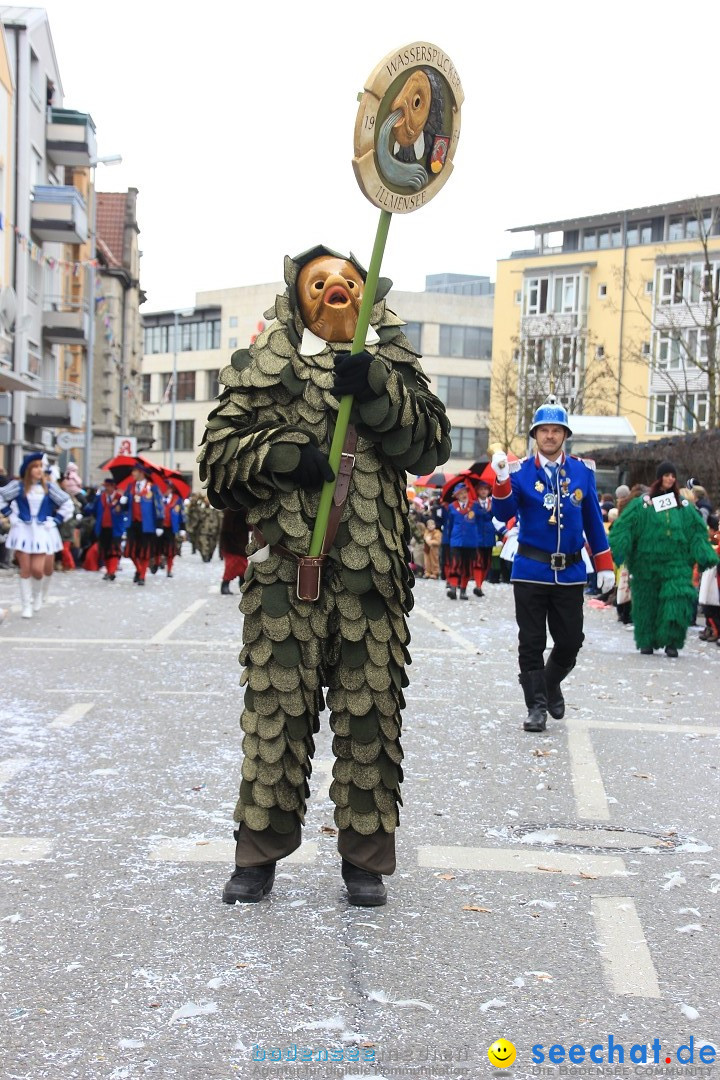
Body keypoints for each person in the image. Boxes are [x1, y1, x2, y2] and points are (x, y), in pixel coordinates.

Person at [198, 244, 451, 906]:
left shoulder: (390, 366)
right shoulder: (265, 370)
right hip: (285, 580)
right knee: (275, 718)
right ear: (297, 298)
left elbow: (427, 447)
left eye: (347, 280)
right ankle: (257, 853)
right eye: (319, 283)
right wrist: (282, 454)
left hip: (372, 586)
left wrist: (376, 391)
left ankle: (364, 859)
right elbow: (218, 464)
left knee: (372, 721)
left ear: (368, 296)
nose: (335, 288)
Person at [491, 396, 615, 732]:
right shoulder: (518, 473)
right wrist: (501, 480)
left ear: (565, 434)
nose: (549, 435)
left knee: (571, 641)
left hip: (571, 572)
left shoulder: (581, 471)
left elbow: (592, 519)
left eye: (555, 430)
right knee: (531, 641)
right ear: (535, 435)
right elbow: (503, 514)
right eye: (543, 430)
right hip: (531, 570)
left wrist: (604, 564)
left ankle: (548, 682)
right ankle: (536, 707)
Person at [609, 461, 719, 657]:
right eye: (666, 475)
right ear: (659, 478)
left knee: (677, 600)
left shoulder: (684, 507)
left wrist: (704, 554)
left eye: (672, 475)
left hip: (676, 565)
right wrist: (620, 548)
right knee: (646, 603)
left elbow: (696, 532)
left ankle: (672, 642)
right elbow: (624, 527)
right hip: (646, 565)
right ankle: (647, 640)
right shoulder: (642, 504)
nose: (670, 479)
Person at [0, 453, 73, 617]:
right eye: (36, 467)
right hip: (23, 530)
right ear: (28, 469)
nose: (40, 470)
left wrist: (56, 520)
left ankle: (37, 595)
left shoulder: (49, 488)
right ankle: (26, 605)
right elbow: (1, 497)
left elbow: (67, 503)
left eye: (41, 466)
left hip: (41, 531)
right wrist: (10, 515)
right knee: (25, 569)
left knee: (38, 570)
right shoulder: (18, 486)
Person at [83, 477, 128, 581]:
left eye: (107, 486)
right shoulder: (100, 497)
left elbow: (127, 510)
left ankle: (112, 571)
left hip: (115, 529)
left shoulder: (120, 498)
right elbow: (93, 509)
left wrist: (122, 506)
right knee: (105, 550)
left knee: (114, 551)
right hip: (102, 528)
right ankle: (108, 571)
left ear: (113, 486)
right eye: (105, 486)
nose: (105, 488)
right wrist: (86, 508)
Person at [124, 465, 163, 585]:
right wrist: (123, 502)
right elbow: (125, 506)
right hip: (132, 523)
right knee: (131, 551)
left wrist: (159, 524)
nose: (133, 473)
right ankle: (139, 569)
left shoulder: (152, 488)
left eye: (134, 471)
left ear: (141, 472)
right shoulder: (130, 487)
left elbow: (159, 506)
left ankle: (142, 576)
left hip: (147, 525)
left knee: (144, 552)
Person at [445, 482, 483, 600]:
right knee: (455, 564)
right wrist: (448, 540)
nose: (463, 495)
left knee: (467, 567)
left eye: (465, 492)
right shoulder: (452, 506)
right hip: (456, 540)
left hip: (471, 541)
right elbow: (449, 525)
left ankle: (463, 590)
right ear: (456, 496)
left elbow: (481, 521)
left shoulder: (475, 505)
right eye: (460, 493)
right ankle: (453, 588)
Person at [156, 482, 186, 578]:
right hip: (159, 527)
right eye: (164, 488)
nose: (166, 490)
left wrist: (182, 528)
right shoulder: (158, 498)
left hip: (171, 529)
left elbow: (182, 514)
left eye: (168, 488)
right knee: (157, 548)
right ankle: (157, 563)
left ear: (171, 489)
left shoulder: (177, 500)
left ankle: (169, 570)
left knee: (170, 551)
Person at [219, 506, 250, 594]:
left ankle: (243, 585)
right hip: (231, 543)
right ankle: (225, 585)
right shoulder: (230, 510)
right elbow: (225, 528)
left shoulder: (244, 508)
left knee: (243, 567)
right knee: (231, 566)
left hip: (241, 541)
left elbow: (249, 524)